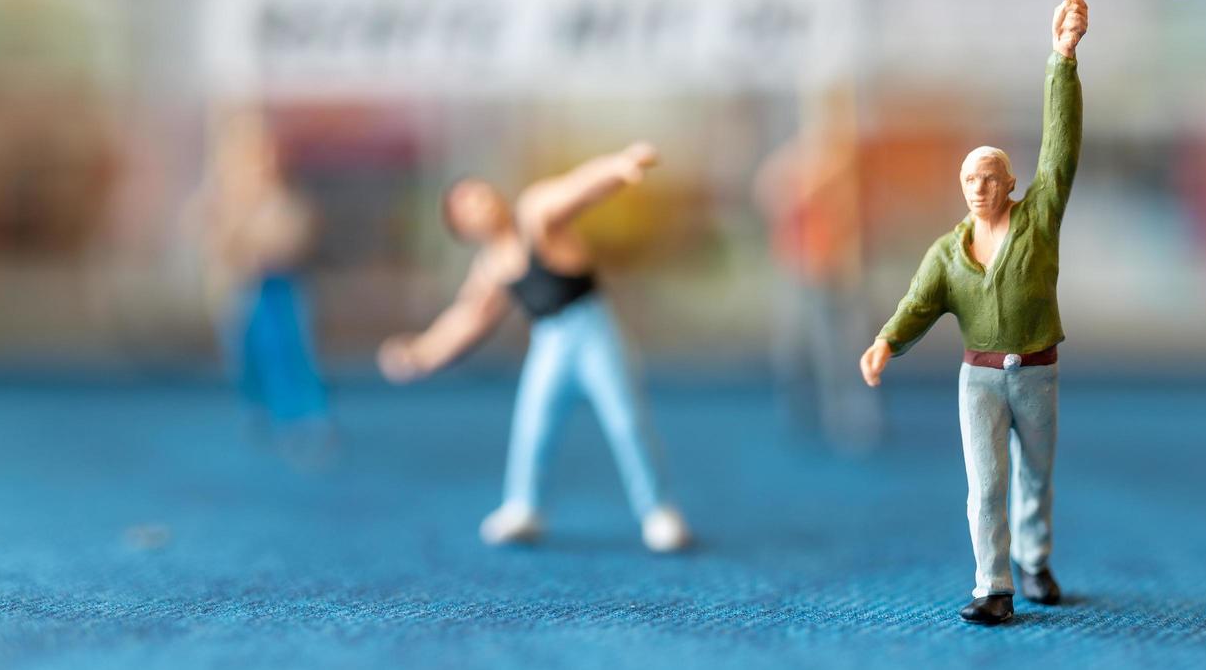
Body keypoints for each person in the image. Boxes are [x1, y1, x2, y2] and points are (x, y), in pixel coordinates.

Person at [860, 0, 1088, 626]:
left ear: (1010, 184)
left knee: (1035, 476)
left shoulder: (1038, 220)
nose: (981, 187)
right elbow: (917, 303)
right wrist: (885, 342)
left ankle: (1035, 560)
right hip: (980, 378)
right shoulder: (947, 252)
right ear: (962, 188)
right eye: (971, 179)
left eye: (991, 177)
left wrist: (1062, 60)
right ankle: (994, 585)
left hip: (1037, 373)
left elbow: (1060, 149)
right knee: (985, 486)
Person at [378, 142, 692, 553]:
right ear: (462, 228)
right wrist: (421, 353)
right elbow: (466, 320)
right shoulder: (490, 266)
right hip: (549, 342)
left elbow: (576, 189)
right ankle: (524, 506)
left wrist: (616, 168)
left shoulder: (534, 214)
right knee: (532, 425)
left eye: (480, 192)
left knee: (625, 420)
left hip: (592, 329)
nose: (481, 202)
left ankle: (657, 510)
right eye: (467, 204)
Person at [193, 111, 331, 454]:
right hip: (244, 288)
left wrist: (258, 245)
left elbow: (291, 240)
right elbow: (213, 240)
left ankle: (303, 415)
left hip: (278, 287)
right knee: (247, 353)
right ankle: (260, 409)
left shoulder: (284, 202)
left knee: (287, 351)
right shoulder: (226, 203)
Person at [753, 92, 882, 451]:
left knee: (842, 350)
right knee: (795, 348)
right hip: (800, 271)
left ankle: (850, 418)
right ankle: (801, 411)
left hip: (837, 271)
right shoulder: (799, 160)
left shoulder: (847, 163)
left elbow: (852, 217)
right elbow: (770, 191)